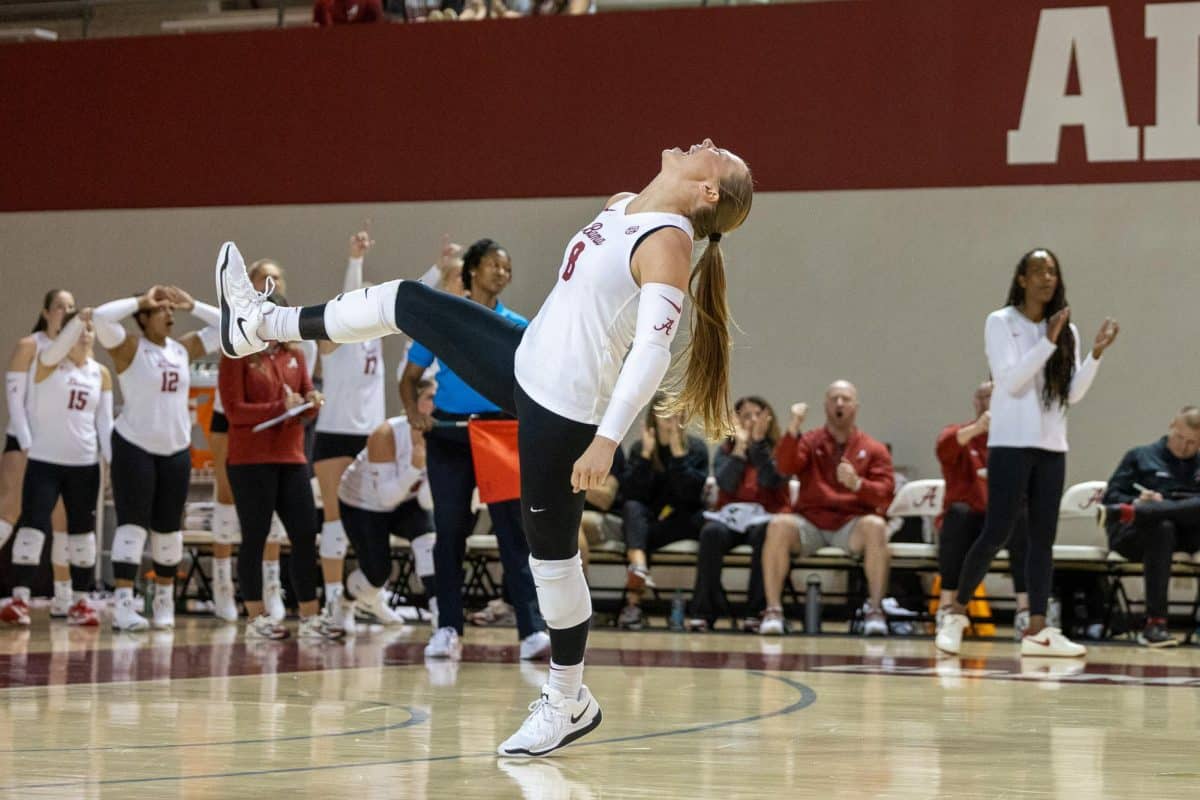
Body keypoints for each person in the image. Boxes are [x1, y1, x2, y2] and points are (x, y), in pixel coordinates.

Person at [216, 137, 752, 756]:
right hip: (524, 365)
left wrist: (607, 440)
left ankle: (567, 699)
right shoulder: (623, 204)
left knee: (551, 560)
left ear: (709, 191)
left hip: (566, 412)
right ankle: (257, 326)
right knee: (405, 300)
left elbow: (653, 352)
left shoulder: (670, 242)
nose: (707, 142)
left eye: (721, 154)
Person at [935, 249, 1118, 658]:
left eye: (1052, 270)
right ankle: (955, 612)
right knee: (997, 531)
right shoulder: (1001, 323)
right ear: (1021, 279)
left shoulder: (1065, 330)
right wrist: (1048, 341)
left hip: (1052, 446)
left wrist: (1095, 356)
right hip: (1010, 443)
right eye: (1037, 270)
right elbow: (1012, 382)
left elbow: (1070, 394)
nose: (1046, 277)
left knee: (1042, 540)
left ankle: (1037, 629)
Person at [398, 238, 549, 663]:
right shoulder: (445, 319)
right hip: (449, 435)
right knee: (449, 530)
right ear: (472, 271)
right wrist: (414, 413)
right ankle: (447, 627)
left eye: (507, 267)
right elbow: (408, 379)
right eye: (494, 265)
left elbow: (535, 384)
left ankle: (531, 631)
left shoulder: (517, 326)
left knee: (511, 534)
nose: (502, 273)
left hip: (500, 435)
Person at [91, 286, 222, 631]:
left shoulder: (183, 349)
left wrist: (192, 303)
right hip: (134, 447)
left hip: (175, 452)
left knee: (169, 533)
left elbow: (228, 326)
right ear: (144, 318)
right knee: (132, 528)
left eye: (171, 310)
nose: (170, 314)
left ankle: (164, 604)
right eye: (161, 310)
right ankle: (123, 607)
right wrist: (140, 300)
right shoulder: (130, 347)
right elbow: (101, 317)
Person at [218, 298, 341, 641]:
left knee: (304, 535)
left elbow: (303, 399)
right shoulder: (237, 355)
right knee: (255, 537)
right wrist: (278, 406)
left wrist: (310, 403)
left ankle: (310, 616)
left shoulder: (295, 355)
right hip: (250, 461)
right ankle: (256, 616)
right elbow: (234, 411)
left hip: (292, 457)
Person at [208, 259, 307, 623]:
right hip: (233, 420)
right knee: (231, 504)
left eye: (276, 279)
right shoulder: (233, 326)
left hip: (280, 432)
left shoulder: (290, 345)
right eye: (262, 279)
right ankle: (222, 588)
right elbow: (235, 406)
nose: (270, 283)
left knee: (280, 525)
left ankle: (272, 589)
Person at [1, 310, 111, 627]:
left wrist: (113, 462)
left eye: (91, 329)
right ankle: (19, 598)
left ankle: (80, 600)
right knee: (33, 527)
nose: (86, 334)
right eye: (80, 329)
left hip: (84, 465)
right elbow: (52, 352)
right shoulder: (46, 365)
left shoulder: (99, 373)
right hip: (45, 461)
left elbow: (104, 424)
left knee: (81, 534)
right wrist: (75, 322)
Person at [760, 381, 895, 636]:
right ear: (825, 406)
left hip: (851, 524)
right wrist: (793, 427)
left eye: (845, 399)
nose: (840, 404)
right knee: (778, 525)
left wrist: (858, 484)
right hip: (810, 521)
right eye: (834, 399)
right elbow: (785, 466)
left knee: (876, 527)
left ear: (856, 407)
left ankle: (875, 610)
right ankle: (773, 611)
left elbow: (885, 494)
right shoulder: (810, 441)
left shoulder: (873, 448)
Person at [314, 231, 387, 632]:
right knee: (335, 521)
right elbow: (349, 297)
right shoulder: (340, 336)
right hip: (337, 433)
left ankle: (369, 598)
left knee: (373, 522)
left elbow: (416, 297)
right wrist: (355, 260)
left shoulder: (378, 338)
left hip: (371, 435)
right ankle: (331, 603)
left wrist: (443, 268)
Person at [933, 381, 1031, 652]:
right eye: (983, 396)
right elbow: (944, 448)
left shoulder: (1017, 437)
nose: (988, 400)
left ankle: (1025, 612)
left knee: (1023, 519)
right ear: (975, 403)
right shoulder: (959, 433)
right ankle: (948, 608)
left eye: (994, 395)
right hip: (969, 517)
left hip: (1002, 516)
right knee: (957, 516)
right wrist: (978, 428)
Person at [334, 379, 439, 626]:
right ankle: (347, 600)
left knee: (429, 545)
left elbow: (426, 501)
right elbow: (386, 497)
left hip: (407, 501)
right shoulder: (385, 434)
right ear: (413, 404)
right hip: (363, 504)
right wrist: (415, 468)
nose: (436, 405)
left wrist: (431, 470)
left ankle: (441, 616)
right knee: (377, 575)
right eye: (430, 398)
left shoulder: (438, 436)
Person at [1097, 406, 1200, 648]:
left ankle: (1147, 512)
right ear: (1172, 425)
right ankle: (1155, 624)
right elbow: (1111, 497)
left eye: (1193, 443)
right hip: (1137, 536)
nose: (1184, 447)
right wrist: (1136, 502)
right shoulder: (1140, 456)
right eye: (1180, 438)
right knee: (1162, 526)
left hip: (1187, 533)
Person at [3, 289, 77, 616]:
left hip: (60, 447)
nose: (65, 311)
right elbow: (15, 401)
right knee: (10, 510)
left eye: (70, 307)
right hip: (26, 442)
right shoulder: (29, 346)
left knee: (62, 519)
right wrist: (28, 443)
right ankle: (19, 594)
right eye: (60, 306)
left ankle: (63, 599)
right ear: (46, 312)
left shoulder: (76, 353)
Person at [687, 395, 787, 631]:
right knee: (711, 533)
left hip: (764, 516)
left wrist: (758, 445)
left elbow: (771, 480)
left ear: (767, 419)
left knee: (766, 536)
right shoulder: (726, 450)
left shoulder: (779, 449)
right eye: (744, 416)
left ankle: (756, 611)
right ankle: (703, 611)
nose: (750, 421)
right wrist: (741, 448)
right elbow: (726, 484)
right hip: (730, 516)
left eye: (756, 415)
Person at [618, 402, 708, 630]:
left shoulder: (696, 449)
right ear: (654, 417)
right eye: (665, 410)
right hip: (651, 525)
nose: (672, 415)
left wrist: (678, 456)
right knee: (632, 510)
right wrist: (646, 458)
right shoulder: (641, 448)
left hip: (683, 521)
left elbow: (690, 495)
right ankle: (638, 569)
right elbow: (631, 494)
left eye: (677, 410)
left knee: (638, 534)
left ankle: (633, 601)